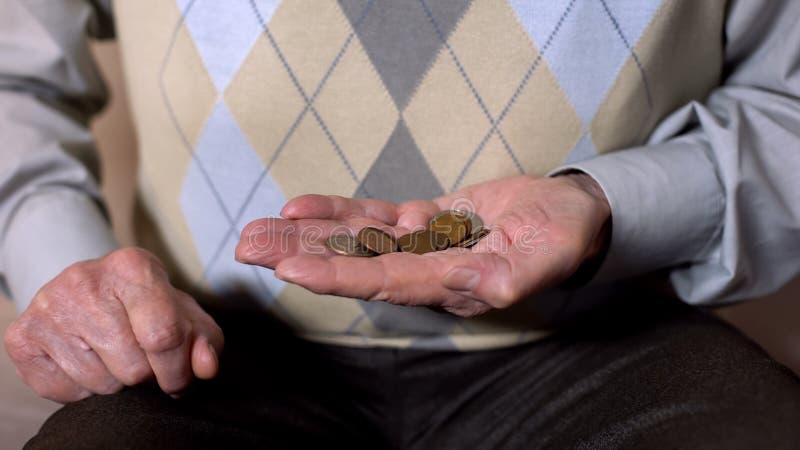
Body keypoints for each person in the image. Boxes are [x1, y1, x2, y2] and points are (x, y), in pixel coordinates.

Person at [2, 0, 800, 448]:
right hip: (203, 357)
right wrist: (80, 282)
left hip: (616, 341)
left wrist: (601, 205)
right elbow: (13, 81)